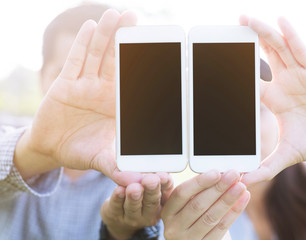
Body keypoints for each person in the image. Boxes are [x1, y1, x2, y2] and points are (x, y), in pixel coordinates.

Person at [0, 4, 250, 240]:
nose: (83, 91)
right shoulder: (9, 136)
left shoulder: (144, 178)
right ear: (41, 76)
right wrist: (35, 150)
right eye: (66, 74)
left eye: (104, 75)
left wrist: (124, 234)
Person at [158, 16, 306, 240]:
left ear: (279, 118)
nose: (240, 129)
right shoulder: (189, 213)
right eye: (224, 116)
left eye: (257, 111)